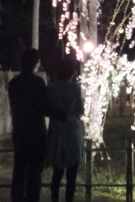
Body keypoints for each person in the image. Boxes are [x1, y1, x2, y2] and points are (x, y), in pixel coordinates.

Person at [8, 49, 61, 202]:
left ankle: (17, 198)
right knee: (34, 172)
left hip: (19, 129)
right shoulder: (37, 82)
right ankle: (32, 198)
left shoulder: (14, 83)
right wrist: (60, 114)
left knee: (19, 169)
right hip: (36, 130)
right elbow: (43, 106)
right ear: (36, 63)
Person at [46, 58, 85, 202]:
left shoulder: (51, 88)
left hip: (57, 128)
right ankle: (69, 199)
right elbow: (80, 110)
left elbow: (48, 109)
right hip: (72, 129)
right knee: (72, 172)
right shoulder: (75, 88)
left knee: (57, 172)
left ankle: (54, 198)